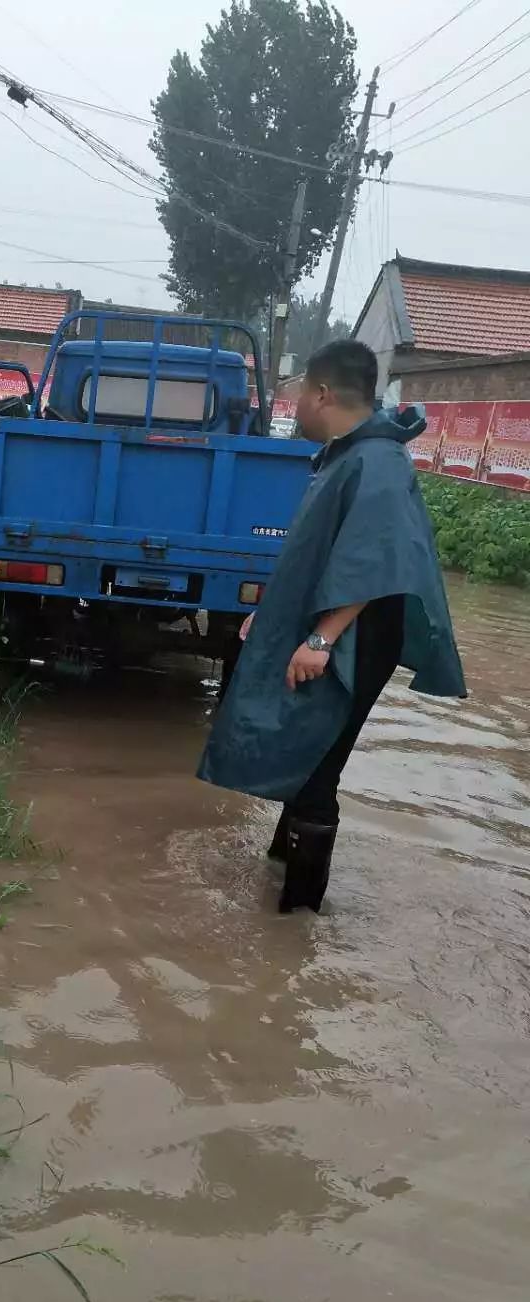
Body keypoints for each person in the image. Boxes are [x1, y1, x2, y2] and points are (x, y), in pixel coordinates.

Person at [198, 340, 466, 915]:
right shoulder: (350, 455)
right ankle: (278, 873)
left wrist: (322, 638)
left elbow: (377, 558)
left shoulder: (378, 462)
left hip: (354, 636)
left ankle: (295, 925)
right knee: (302, 743)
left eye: (298, 393)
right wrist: (272, 613)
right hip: (335, 627)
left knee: (320, 762)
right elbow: (322, 552)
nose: (293, 406)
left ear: (322, 393)